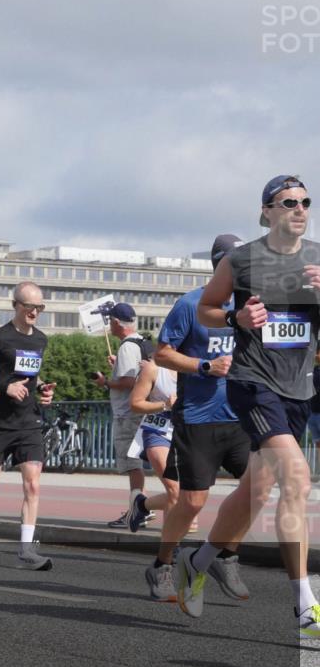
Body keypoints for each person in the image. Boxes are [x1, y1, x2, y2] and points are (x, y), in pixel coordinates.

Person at [182, 175, 319, 638]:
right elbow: (206, 309)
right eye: (288, 203)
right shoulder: (243, 260)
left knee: (257, 490)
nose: (299, 209)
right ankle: (305, 603)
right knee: (297, 478)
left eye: (305, 202)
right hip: (252, 381)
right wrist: (236, 317)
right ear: (267, 212)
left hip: (298, 387)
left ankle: (198, 560)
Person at [142, 234, 251, 602]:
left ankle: (227, 555)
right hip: (198, 418)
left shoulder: (250, 308)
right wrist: (204, 366)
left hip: (242, 417)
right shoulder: (190, 305)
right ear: (219, 266)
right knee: (192, 503)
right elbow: (162, 354)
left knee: (257, 488)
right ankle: (162, 564)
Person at [0, 281, 57, 570]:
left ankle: (26, 550)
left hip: (29, 422)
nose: (35, 312)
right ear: (15, 305)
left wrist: (43, 393)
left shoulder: (40, 340)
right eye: (29, 307)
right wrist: (5, 386)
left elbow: (32, 380)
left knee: (33, 484)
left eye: (40, 308)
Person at [94, 303, 150, 528]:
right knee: (139, 464)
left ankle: (137, 512)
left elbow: (127, 382)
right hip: (142, 411)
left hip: (127, 414)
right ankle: (141, 509)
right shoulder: (142, 343)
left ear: (117, 322)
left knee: (132, 465)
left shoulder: (127, 347)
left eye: (110, 321)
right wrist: (119, 364)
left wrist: (105, 381)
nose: (109, 325)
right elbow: (137, 374)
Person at [125, 359, 178, 531]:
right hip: (157, 431)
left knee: (186, 495)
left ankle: (142, 505)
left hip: (187, 433)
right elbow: (135, 403)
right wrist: (165, 405)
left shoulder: (202, 366)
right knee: (174, 489)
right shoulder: (154, 369)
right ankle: (171, 550)